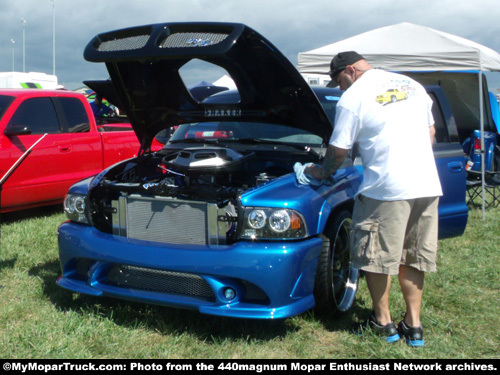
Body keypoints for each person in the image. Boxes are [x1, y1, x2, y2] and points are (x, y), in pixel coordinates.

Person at [301, 51, 442, 347]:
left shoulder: (353, 98)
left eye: (340, 80)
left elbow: (339, 153)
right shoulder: (411, 85)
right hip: (427, 185)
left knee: (377, 258)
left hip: (385, 189)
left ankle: (383, 323)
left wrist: (317, 170)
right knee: (414, 256)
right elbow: (430, 133)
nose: (340, 88)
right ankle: (413, 326)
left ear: (351, 70)